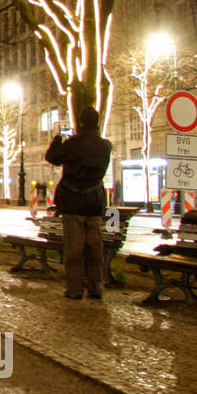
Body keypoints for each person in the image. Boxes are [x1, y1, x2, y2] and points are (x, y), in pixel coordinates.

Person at [45, 106, 113, 300]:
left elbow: (53, 157)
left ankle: (75, 288)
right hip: (94, 203)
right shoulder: (104, 146)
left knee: (74, 247)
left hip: (73, 202)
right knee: (94, 246)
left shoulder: (73, 144)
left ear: (81, 122)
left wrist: (57, 140)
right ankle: (96, 286)